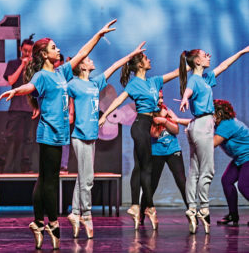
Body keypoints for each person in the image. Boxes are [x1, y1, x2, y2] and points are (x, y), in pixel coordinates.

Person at [0, 20, 117, 250]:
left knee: (44, 180)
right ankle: (51, 223)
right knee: (49, 181)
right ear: (44, 55)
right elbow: (29, 87)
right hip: (49, 133)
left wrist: (98, 34)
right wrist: (15, 90)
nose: (58, 50)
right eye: (53, 48)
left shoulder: (62, 72)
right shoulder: (42, 75)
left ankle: (37, 223)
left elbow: (83, 52)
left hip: (61, 133)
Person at [66, 42, 146, 239]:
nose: (92, 61)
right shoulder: (73, 84)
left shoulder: (95, 82)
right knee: (88, 179)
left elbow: (114, 67)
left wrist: (131, 55)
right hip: (79, 135)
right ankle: (86, 215)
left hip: (92, 135)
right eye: (88, 60)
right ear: (82, 66)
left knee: (83, 177)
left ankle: (75, 213)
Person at [99, 47, 179, 231]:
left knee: (140, 167)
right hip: (140, 125)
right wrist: (105, 116)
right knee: (146, 167)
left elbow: (175, 73)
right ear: (140, 65)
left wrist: (187, 62)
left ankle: (137, 207)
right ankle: (149, 207)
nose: (150, 60)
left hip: (149, 124)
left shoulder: (154, 81)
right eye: (146, 58)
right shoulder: (134, 84)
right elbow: (119, 100)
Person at [178, 46, 249, 233]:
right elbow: (189, 90)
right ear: (197, 61)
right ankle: (203, 209)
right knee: (206, 171)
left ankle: (192, 208)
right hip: (203, 124)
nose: (208, 56)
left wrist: (241, 52)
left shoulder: (206, 79)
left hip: (196, 125)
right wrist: (185, 99)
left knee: (194, 171)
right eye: (204, 55)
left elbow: (224, 66)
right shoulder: (194, 78)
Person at [139, 90, 189, 225]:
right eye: (158, 98)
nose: (161, 101)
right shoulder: (146, 115)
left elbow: (176, 130)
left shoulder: (166, 110)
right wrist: (162, 120)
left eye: (162, 98)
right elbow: (154, 134)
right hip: (156, 153)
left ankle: (191, 212)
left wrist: (164, 121)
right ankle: (141, 214)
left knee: (182, 181)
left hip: (174, 150)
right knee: (152, 184)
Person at [0, 35, 36, 173]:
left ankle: (26, 167)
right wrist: (22, 65)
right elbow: (11, 81)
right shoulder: (13, 63)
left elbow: (36, 85)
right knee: (8, 136)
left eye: (30, 51)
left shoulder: (35, 65)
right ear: (20, 49)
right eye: (25, 50)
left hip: (30, 106)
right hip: (16, 106)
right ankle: (0, 165)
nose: (27, 53)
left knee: (29, 139)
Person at [212, 100, 249, 227]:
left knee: (244, 186)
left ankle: (233, 214)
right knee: (227, 180)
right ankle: (233, 214)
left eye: (211, 113)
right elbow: (195, 123)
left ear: (219, 114)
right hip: (241, 158)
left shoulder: (226, 124)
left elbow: (212, 144)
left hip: (248, 157)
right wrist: (177, 120)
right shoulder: (221, 124)